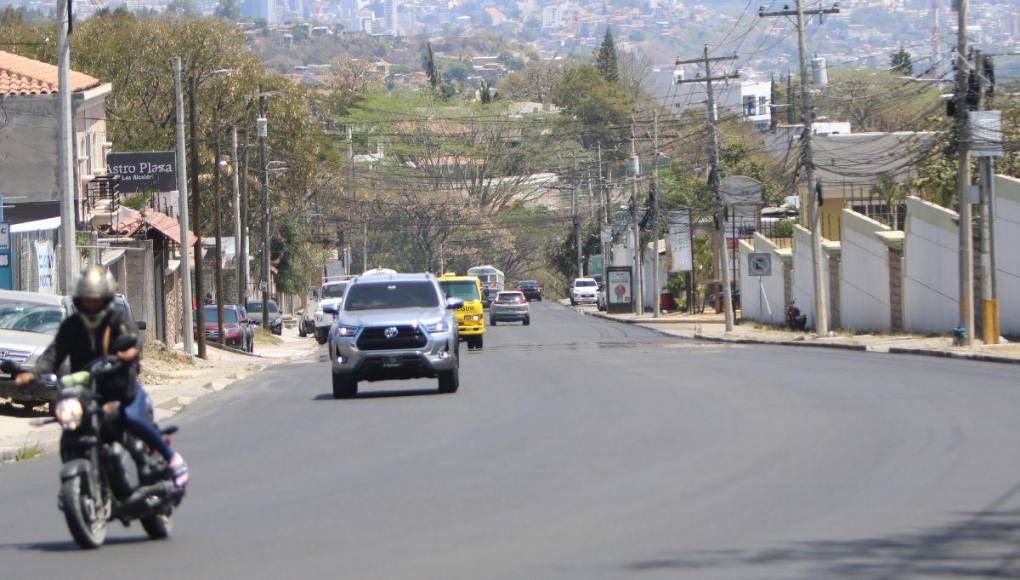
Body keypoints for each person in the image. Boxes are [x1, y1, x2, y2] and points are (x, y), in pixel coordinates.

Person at [15, 266, 189, 487]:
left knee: (132, 417)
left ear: (105, 299)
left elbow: (133, 340)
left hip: (119, 386)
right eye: (87, 300)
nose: (91, 304)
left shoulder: (117, 319)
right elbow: (53, 354)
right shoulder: (72, 325)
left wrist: (129, 353)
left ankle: (173, 459)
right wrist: (32, 374)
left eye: (96, 300)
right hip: (87, 390)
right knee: (71, 425)